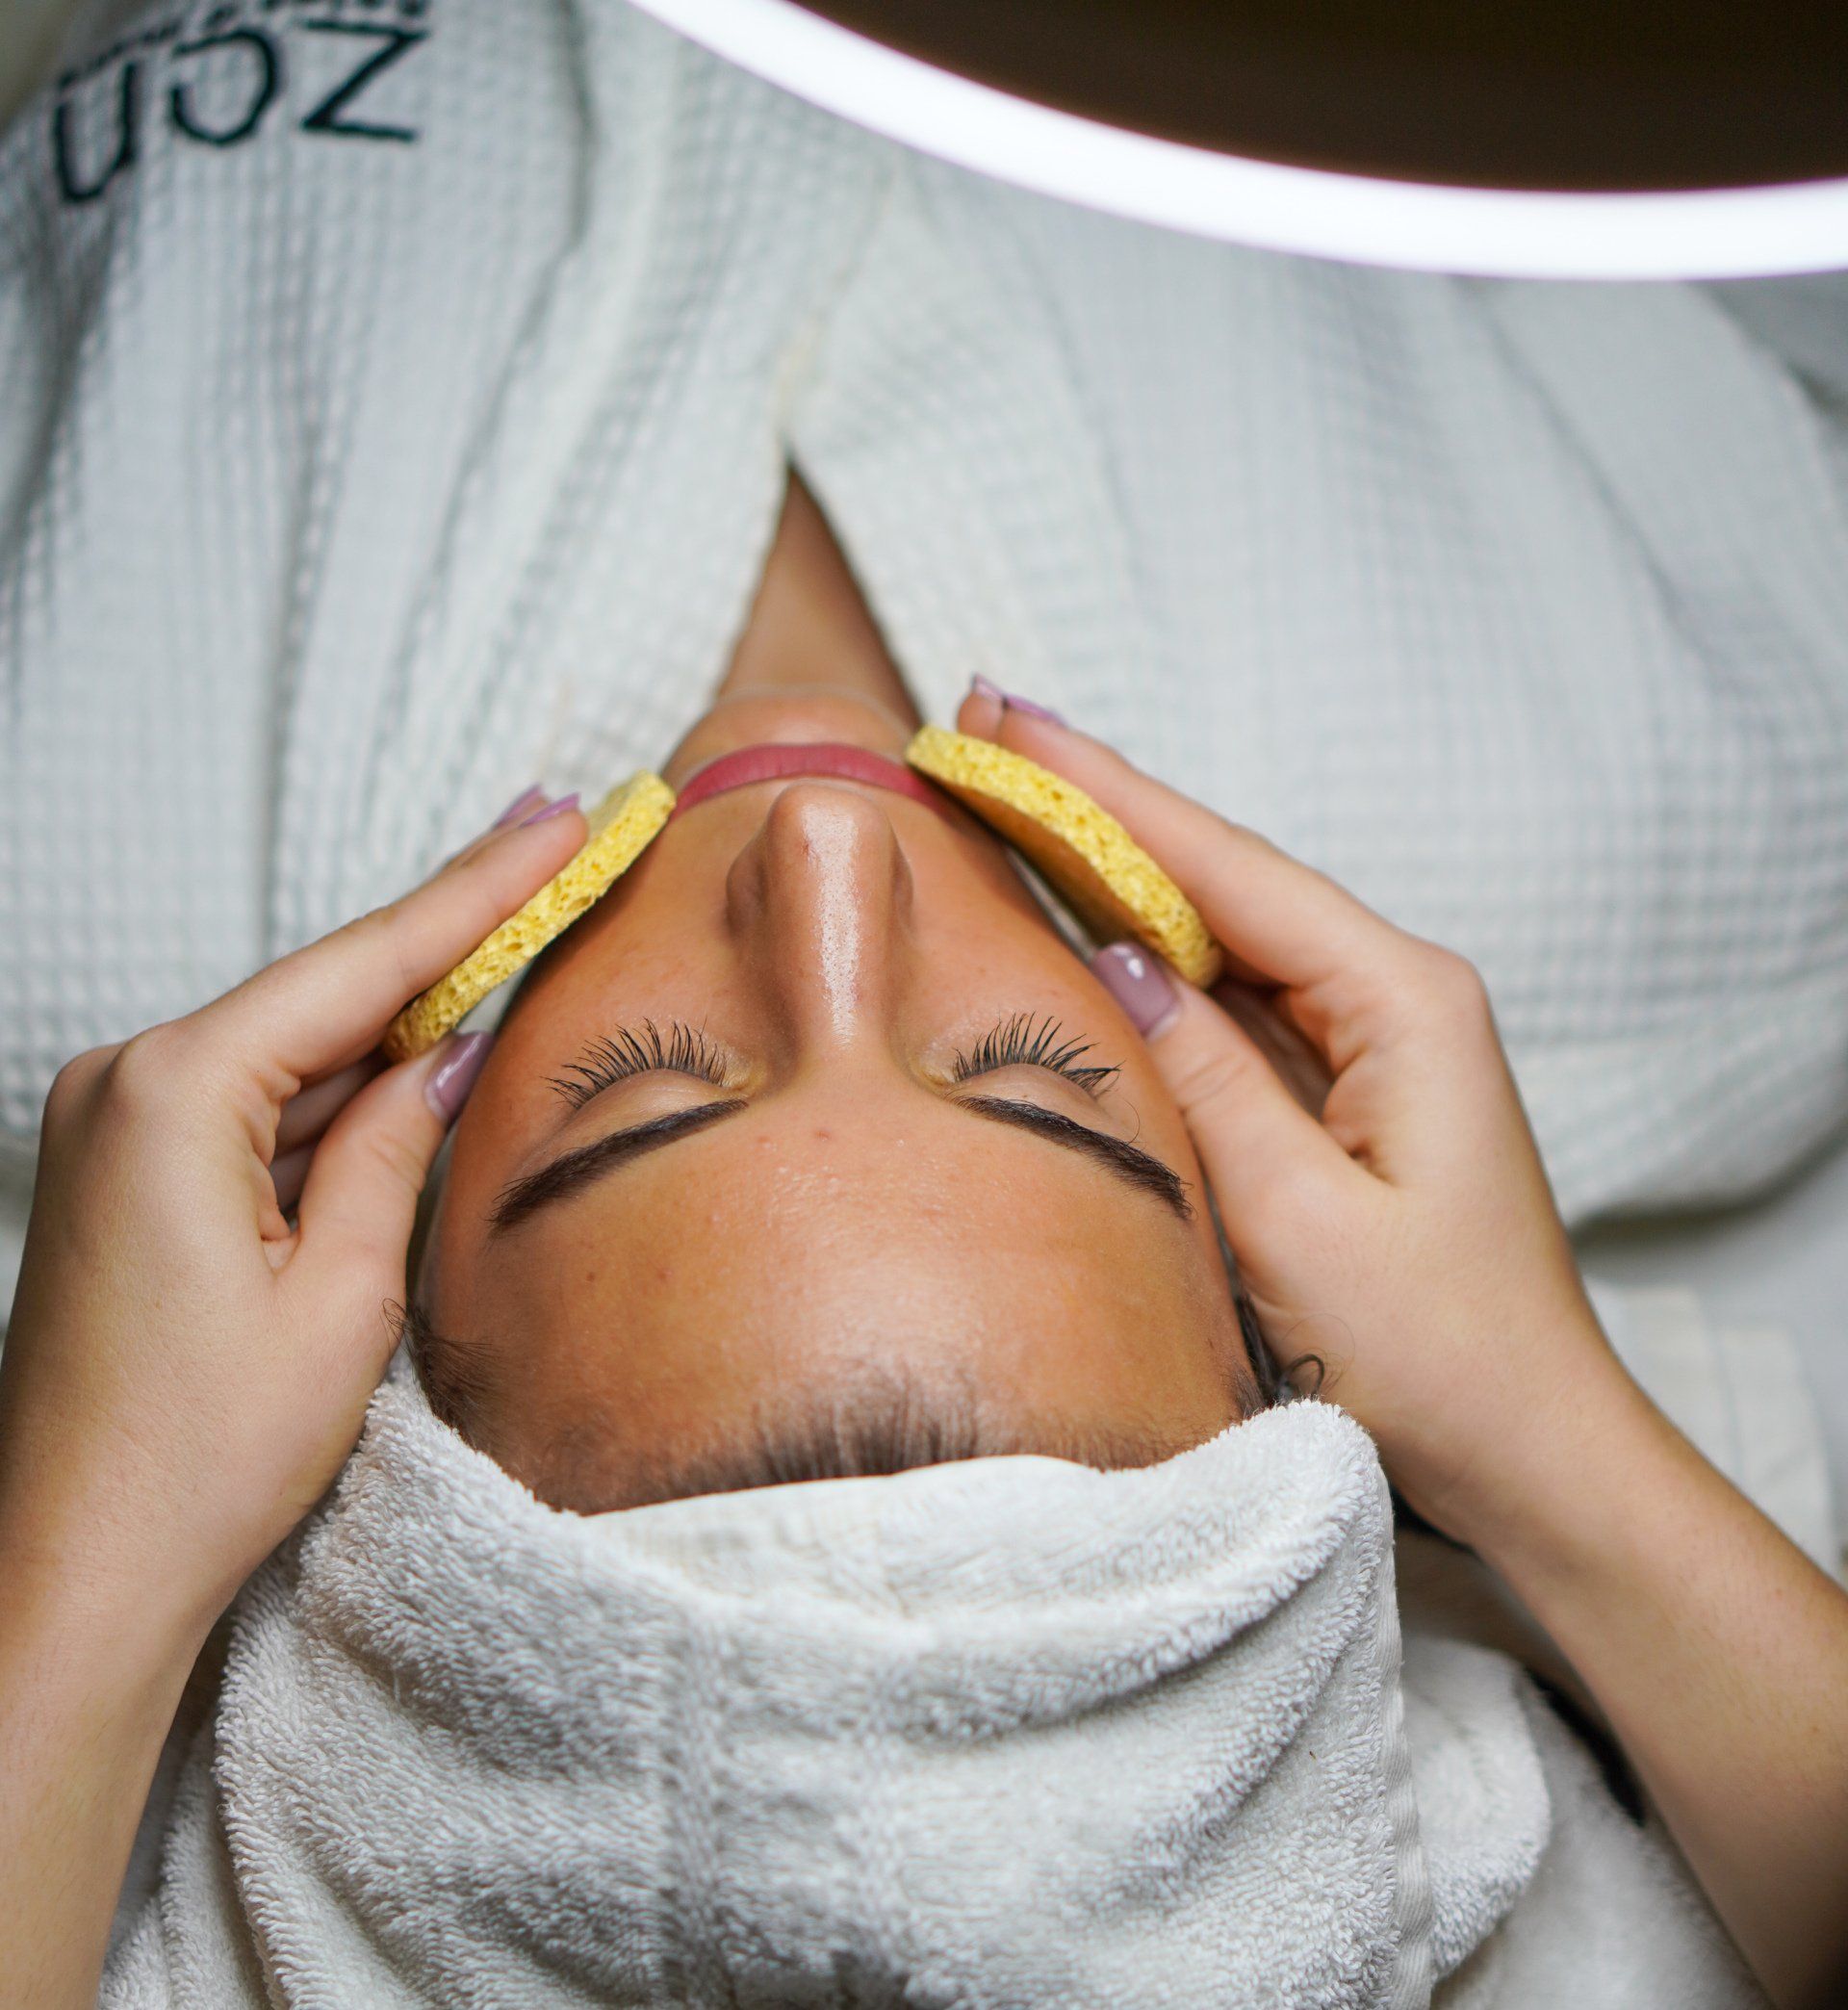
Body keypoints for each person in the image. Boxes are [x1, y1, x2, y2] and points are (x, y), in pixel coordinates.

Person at [3, 475, 1847, 2009]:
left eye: (644, 1096)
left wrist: (81, 1576)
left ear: (379, 1292)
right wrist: (1549, 1433)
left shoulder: (81, 792)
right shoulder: (1701, 775)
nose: (824, 862)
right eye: (1044, 1086)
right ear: (1266, 1277)